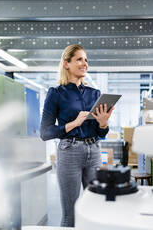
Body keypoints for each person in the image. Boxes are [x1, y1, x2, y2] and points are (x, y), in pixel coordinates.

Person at [40, 44, 114, 227]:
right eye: (79, 59)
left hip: (94, 150)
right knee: (71, 214)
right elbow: (45, 132)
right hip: (69, 151)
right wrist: (74, 123)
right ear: (66, 63)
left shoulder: (95, 94)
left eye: (86, 60)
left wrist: (103, 124)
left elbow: (101, 132)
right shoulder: (56, 94)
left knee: (94, 210)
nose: (85, 63)